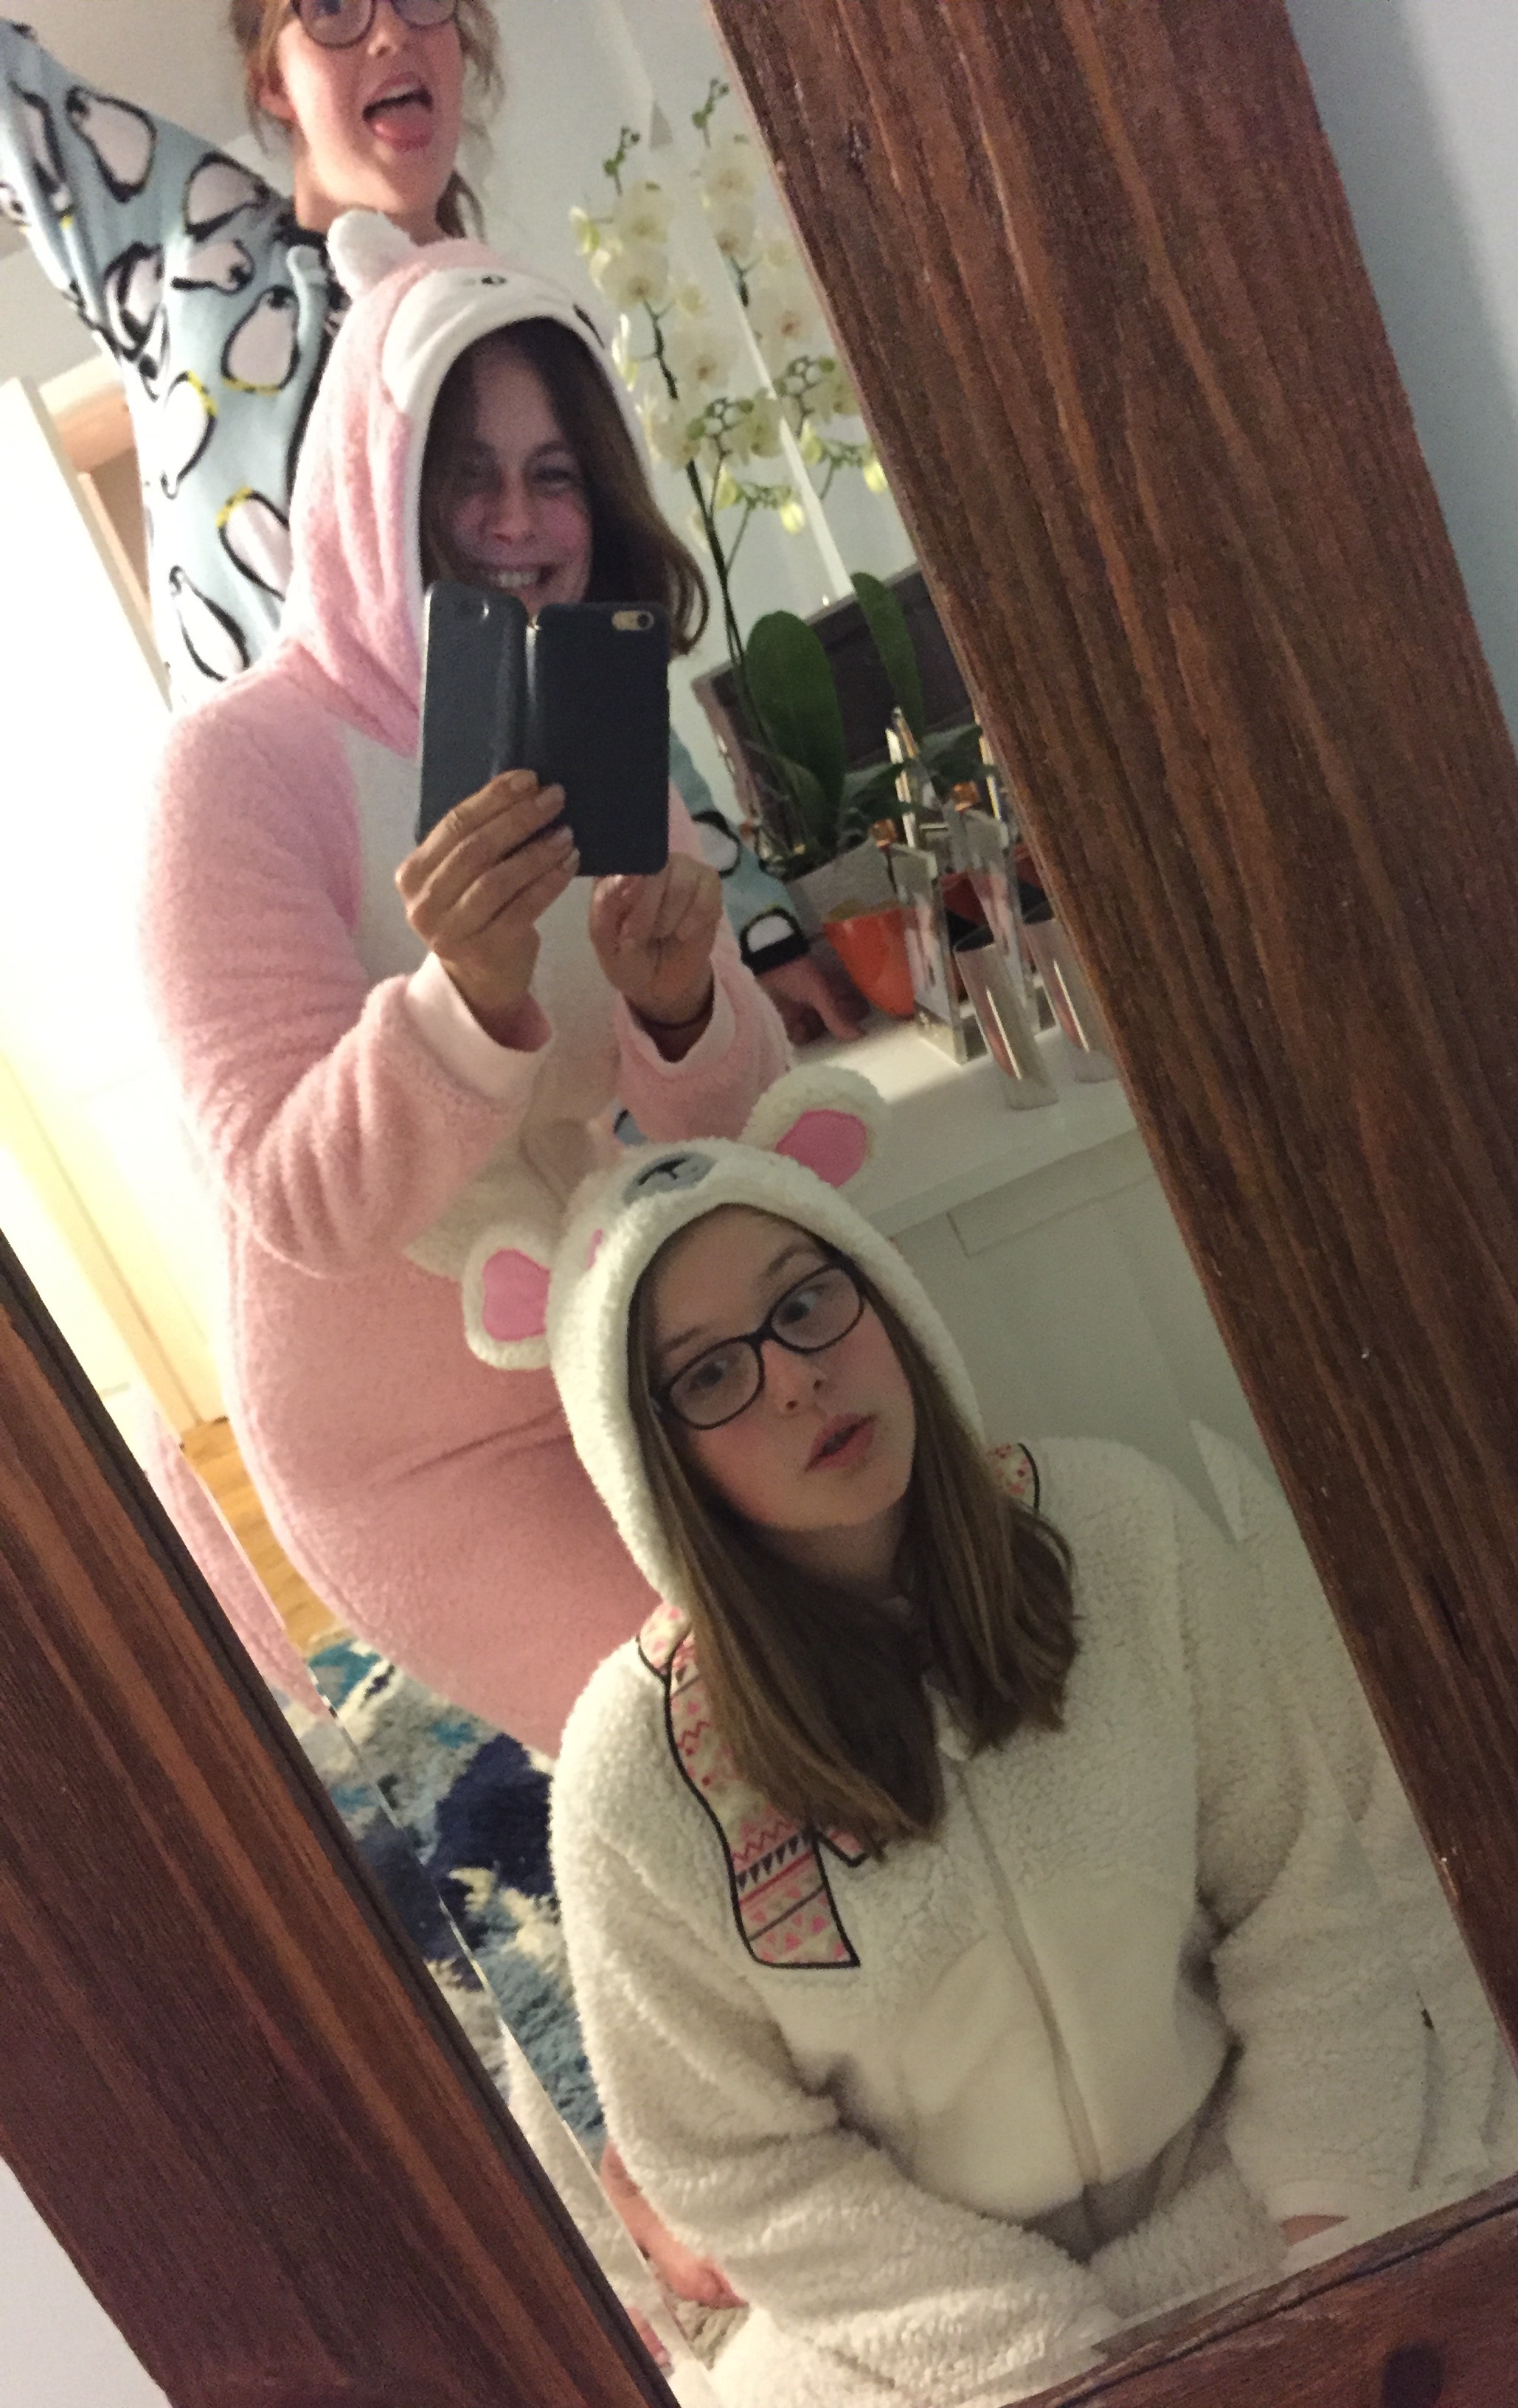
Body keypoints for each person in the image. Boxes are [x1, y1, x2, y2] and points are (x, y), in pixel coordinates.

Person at [460, 1068, 1518, 2408]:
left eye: (806, 1301)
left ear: (879, 1296)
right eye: (714, 1373)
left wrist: (1334, 2252)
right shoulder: (635, 1783)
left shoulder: (1122, 1532)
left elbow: (1301, 1895)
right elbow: (738, 2167)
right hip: (944, 2332)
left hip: (1245, 2192)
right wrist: (1052, 2364)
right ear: (653, 1459)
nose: (797, 1377)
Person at [142, 214, 793, 1752]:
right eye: (462, 474)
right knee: (719, 1752)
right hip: (420, 1453)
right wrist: (466, 1003)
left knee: (871, 1644)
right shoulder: (238, 769)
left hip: (637, 1341)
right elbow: (300, 1204)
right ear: (373, 491)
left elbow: (737, 1121)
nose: (515, 520)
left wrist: (682, 1008)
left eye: (555, 473)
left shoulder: (596, 715)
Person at [0, 3, 859, 1036]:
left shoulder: (507, 337)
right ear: (271, 79)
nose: (389, 34)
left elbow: (596, 676)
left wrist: (752, 931)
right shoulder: (193, 255)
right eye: (331, 7)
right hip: (296, 940)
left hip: (546, 974)